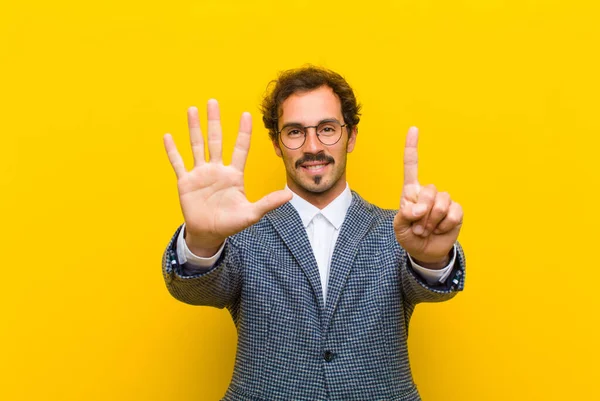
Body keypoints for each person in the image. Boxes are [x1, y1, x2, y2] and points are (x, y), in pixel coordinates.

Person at [161, 66, 465, 401]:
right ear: (277, 144)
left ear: (351, 136)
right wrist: (203, 240)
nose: (313, 146)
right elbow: (196, 291)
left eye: (327, 129)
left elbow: (435, 291)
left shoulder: (399, 231)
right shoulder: (239, 234)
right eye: (294, 132)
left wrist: (432, 257)